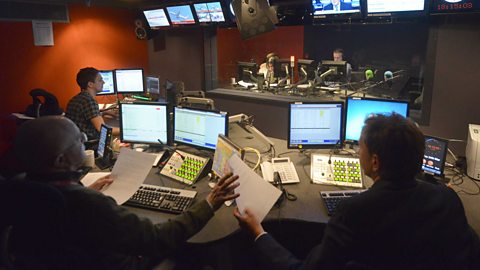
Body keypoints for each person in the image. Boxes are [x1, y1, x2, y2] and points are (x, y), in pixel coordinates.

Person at [234, 113, 480, 270]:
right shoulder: (447, 198)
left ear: (375, 162)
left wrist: (258, 233)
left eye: (359, 147)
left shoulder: (355, 211)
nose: (356, 152)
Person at [12, 116, 240, 269]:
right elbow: (157, 238)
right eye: (78, 139)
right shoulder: (87, 204)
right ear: (60, 160)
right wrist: (210, 202)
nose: (84, 139)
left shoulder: (26, 189)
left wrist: (83, 190)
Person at [65, 67, 120, 141]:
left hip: (75, 141)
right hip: (89, 144)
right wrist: (125, 131)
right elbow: (103, 130)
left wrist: (105, 112)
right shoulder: (89, 101)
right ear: (90, 84)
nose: (103, 82)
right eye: (100, 80)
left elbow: (87, 115)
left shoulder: (79, 98)